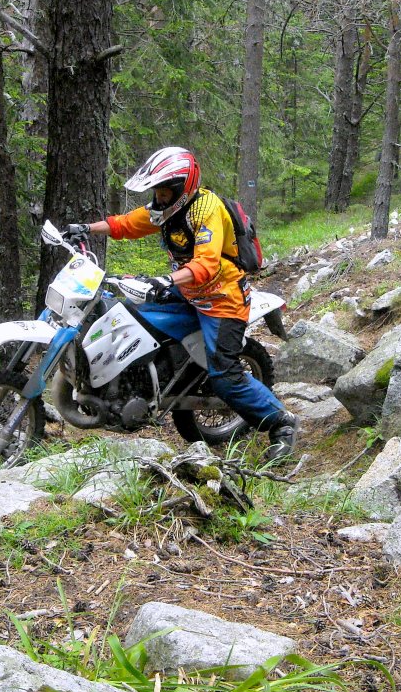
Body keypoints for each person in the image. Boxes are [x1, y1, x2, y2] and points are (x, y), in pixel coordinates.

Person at [64, 147, 298, 460]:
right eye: (156, 191)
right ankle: (150, 383)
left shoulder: (205, 210)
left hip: (222, 299)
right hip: (188, 291)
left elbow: (206, 264)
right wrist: (87, 229)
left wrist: (166, 280)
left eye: (164, 191)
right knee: (131, 316)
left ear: (182, 188)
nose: (159, 197)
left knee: (225, 377)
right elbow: (128, 223)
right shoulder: (167, 208)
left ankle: (281, 423)